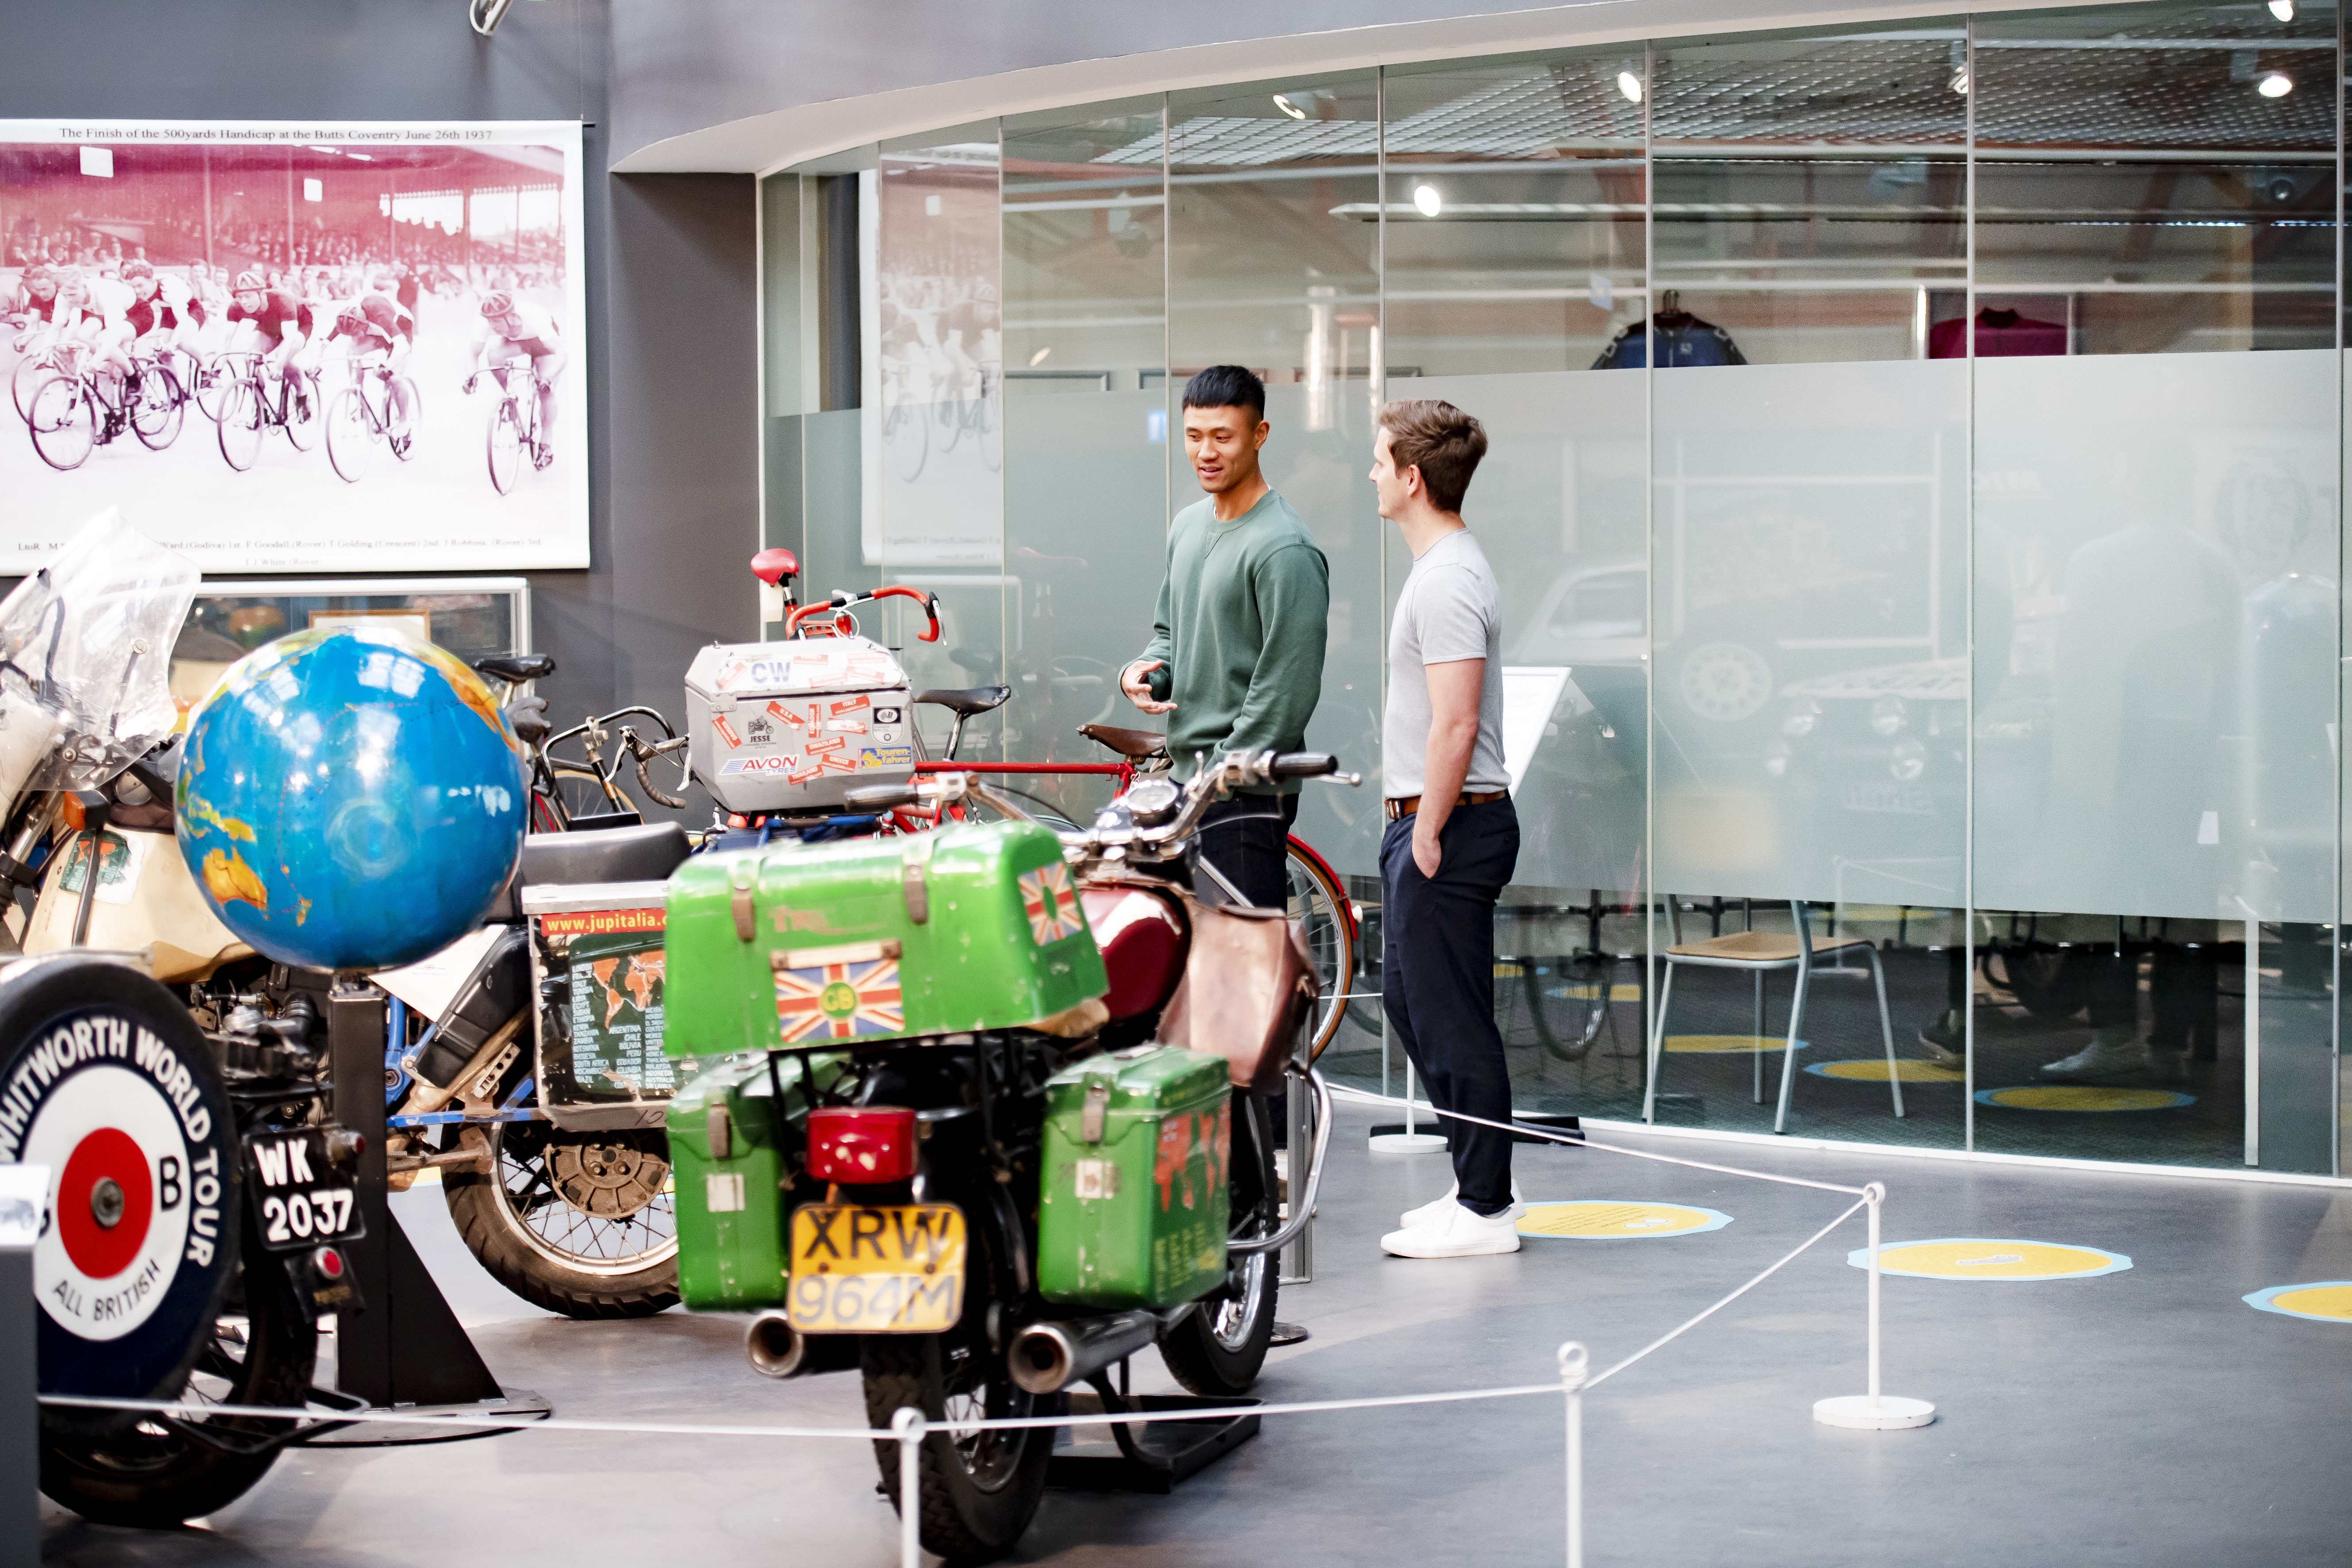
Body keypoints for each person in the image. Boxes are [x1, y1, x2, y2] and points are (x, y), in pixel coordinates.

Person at [1369, 398, 1524, 1260]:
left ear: (1411, 477)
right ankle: (1475, 1186)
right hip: (1436, 821)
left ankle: (1486, 1207)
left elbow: (1454, 723)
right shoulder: (1439, 569)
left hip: (1452, 824)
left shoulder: (1449, 577)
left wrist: (1423, 831)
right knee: (1413, 1003)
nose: (1370, 473)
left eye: (1378, 459)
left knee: (1449, 1014)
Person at [1120, 364, 1330, 909]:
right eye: (1193, 436)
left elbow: (1284, 692)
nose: (1205, 452)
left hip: (1242, 793)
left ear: (1259, 436)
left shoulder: (1285, 548)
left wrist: (1217, 776)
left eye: (1222, 436)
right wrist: (1145, 673)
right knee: (1190, 964)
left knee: (1242, 974)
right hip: (1186, 786)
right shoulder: (1187, 524)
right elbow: (1169, 631)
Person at [468, 288, 564, 462]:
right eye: (490, 322)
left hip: (541, 344)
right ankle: (511, 397)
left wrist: (547, 379)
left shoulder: (535, 317)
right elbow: (473, 354)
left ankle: (546, 444)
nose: (492, 326)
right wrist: (470, 377)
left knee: (545, 391)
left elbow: (561, 354)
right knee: (494, 356)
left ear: (512, 316)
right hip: (514, 341)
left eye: (497, 321)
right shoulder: (486, 323)